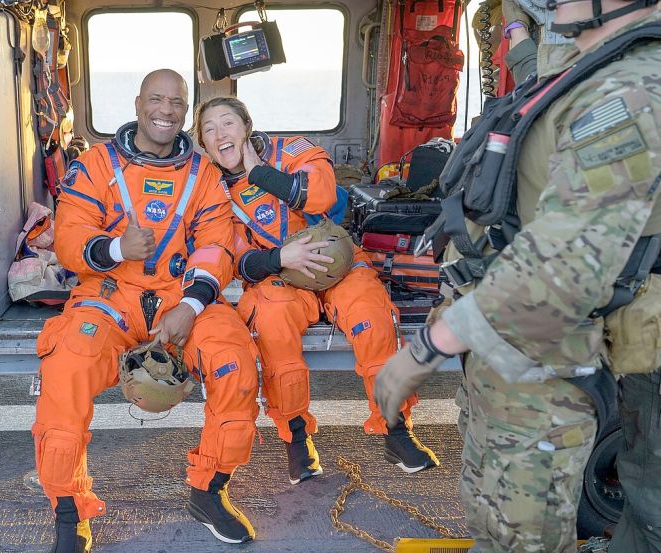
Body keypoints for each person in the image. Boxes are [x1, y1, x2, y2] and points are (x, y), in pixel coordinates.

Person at [374, 0, 661, 550]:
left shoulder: (631, 90)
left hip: (550, 348)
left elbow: (565, 261)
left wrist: (425, 349)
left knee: (522, 536)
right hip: (519, 348)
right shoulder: (587, 67)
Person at [32, 69, 261, 552]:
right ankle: (69, 514)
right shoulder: (96, 165)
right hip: (110, 295)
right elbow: (71, 238)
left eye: (176, 103)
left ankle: (210, 491)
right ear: (138, 104)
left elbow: (216, 249)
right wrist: (116, 248)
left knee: (234, 364)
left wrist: (192, 306)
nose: (165, 110)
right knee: (67, 366)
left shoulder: (203, 176)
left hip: (182, 298)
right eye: (155, 100)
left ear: (185, 112)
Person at [193, 96, 440, 476]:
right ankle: (295, 435)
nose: (220, 134)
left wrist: (258, 172)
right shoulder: (212, 191)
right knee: (272, 320)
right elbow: (233, 257)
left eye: (227, 123)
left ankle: (395, 427)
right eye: (209, 130)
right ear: (204, 144)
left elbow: (321, 194)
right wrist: (280, 260)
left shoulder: (290, 150)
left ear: (247, 125)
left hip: (334, 260)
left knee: (370, 313)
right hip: (278, 275)